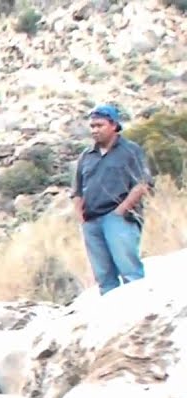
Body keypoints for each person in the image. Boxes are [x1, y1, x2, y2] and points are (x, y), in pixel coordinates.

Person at [70, 104, 155, 294]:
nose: (94, 130)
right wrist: (81, 218)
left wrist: (120, 211)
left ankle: (140, 316)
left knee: (130, 272)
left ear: (114, 125)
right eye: (92, 126)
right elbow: (76, 191)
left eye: (99, 125)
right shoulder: (86, 156)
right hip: (92, 222)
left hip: (118, 218)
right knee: (104, 278)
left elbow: (143, 183)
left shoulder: (130, 150)